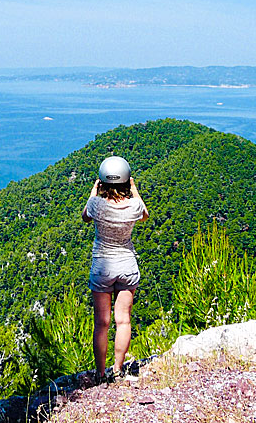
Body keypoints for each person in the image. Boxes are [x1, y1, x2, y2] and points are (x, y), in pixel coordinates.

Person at [81, 156, 149, 384]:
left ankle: (100, 374)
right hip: (127, 266)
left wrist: (94, 191)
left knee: (102, 323)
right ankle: (118, 370)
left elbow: (85, 217)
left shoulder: (96, 204)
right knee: (124, 321)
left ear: (103, 183)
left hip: (102, 267)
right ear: (126, 182)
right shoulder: (134, 206)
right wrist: (134, 189)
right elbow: (145, 215)